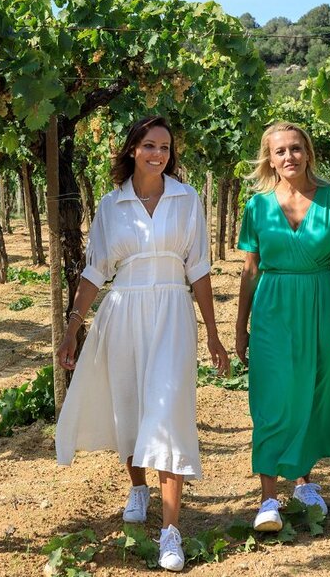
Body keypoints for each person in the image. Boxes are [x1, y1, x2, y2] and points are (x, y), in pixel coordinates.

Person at [55, 116, 229, 572]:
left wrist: (212, 331)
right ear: (132, 149)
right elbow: (95, 271)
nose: (159, 154)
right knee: (129, 405)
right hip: (123, 311)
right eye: (150, 145)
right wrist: (73, 326)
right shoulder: (112, 206)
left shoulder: (187, 199)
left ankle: (171, 532)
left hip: (172, 312)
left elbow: (200, 269)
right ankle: (138, 486)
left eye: (166, 147)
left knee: (169, 412)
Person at [235, 121, 330, 532]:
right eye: (279, 151)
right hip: (273, 306)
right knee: (272, 397)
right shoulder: (256, 206)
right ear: (269, 159)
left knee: (312, 391)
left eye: (295, 148)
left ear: (307, 152)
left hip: (322, 304)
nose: (288, 157)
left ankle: (305, 480)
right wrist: (240, 326)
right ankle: (267, 499)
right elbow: (249, 271)